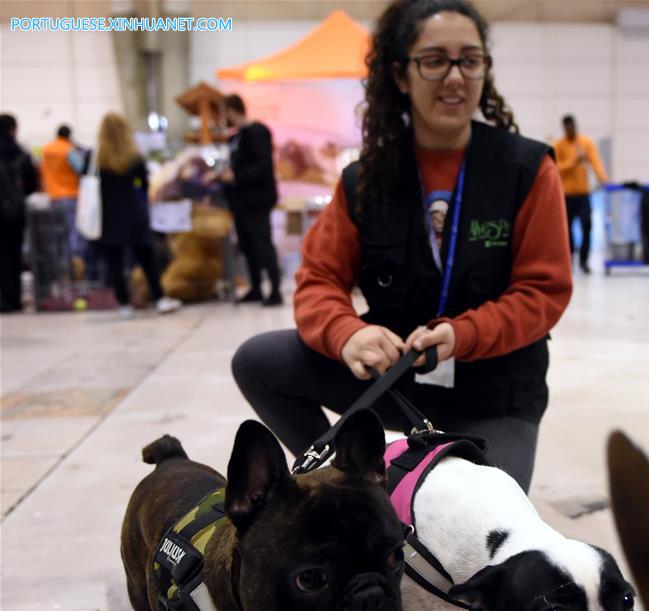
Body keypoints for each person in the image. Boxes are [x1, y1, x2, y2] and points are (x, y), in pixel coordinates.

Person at [231, 0, 572, 492]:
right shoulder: (365, 181)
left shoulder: (527, 170)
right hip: (395, 380)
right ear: (400, 74)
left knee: (481, 537)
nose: (455, 77)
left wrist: (466, 333)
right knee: (258, 360)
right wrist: (347, 333)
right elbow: (318, 281)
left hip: (496, 392)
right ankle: (342, 487)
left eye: (469, 60)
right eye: (434, 60)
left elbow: (543, 291)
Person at [93, 113, 181, 316]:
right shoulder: (134, 157)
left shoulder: (96, 159)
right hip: (133, 212)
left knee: (115, 263)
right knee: (147, 259)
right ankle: (159, 299)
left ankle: (124, 304)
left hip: (108, 216)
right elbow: (144, 184)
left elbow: (88, 183)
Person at [218, 94, 282, 306]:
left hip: (257, 200)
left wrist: (236, 175)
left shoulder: (258, 132)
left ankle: (275, 290)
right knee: (248, 246)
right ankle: (255, 288)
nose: (223, 116)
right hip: (240, 202)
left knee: (262, 244)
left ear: (232, 109)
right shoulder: (236, 136)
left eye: (225, 111)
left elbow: (263, 167)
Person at [553, 114, 607, 274]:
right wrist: (573, 162)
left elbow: (596, 162)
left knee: (587, 227)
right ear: (564, 128)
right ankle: (568, 260)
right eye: (567, 127)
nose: (570, 130)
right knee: (565, 230)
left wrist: (604, 181)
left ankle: (584, 261)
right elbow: (556, 167)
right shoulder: (558, 146)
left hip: (584, 194)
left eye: (572, 127)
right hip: (566, 195)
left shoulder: (585, 143)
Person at [0, 113, 38, 314]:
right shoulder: (21, 154)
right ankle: (13, 299)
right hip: (16, 213)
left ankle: (3, 298)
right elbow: (32, 184)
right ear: (13, 128)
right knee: (14, 255)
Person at [40, 124, 87, 278]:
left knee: (58, 237)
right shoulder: (68, 149)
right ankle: (75, 270)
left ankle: (60, 270)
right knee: (73, 235)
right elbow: (81, 169)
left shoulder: (46, 150)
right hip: (70, 197)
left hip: (52, 199)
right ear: (69, 135)